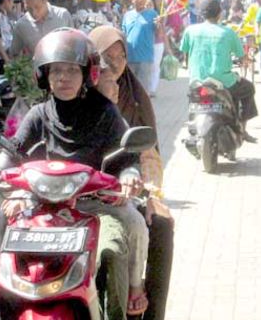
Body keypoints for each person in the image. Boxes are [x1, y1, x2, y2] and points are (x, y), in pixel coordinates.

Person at [0, 28, 149, 318]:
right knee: (6, 213)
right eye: (55, 71)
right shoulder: (39, 113)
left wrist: (129, 177)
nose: (62, 78)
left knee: (122, 240)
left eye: (70, 71)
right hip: (44, 201)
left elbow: (128, 157)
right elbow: (12, 151)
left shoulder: (105, 112)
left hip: (97, 202)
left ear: (87, 74)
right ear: (44, 76)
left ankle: (134, 288)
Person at [90, 25, 176, 320]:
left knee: (161, 224)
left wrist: (151, 194)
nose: (114, 63)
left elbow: (148, 154)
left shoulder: (134, 96)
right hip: (80, 192)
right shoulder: (76, 95)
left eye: (120, 56)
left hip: (128, 187)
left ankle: (150, 312)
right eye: (106, 56)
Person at [180, 0, 258, 142]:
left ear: (201, 13)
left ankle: (192, 128)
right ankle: (242, 128)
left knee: (192, 100)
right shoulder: (228, 32)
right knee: (248, 88)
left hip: (197, 81)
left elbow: (186, 56)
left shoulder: (190, 31)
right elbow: (242, 58)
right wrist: (246, 60)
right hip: (224, 82)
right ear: (219, 13)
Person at [9, 0, 73, 58]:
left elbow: (74, 43)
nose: (34, 13)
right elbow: (14, 54)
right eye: (29, 9)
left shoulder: (62, 16)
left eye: (37, 7)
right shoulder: (21, 25)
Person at [121, 0, 158, 92]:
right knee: (129, 89)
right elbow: (123, 34)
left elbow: (158, 30)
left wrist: (158, 24)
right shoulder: (127, 15)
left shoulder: (153, 14)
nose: (140, 0)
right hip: (129, 58)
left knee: (142, 91)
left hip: (145, 59)